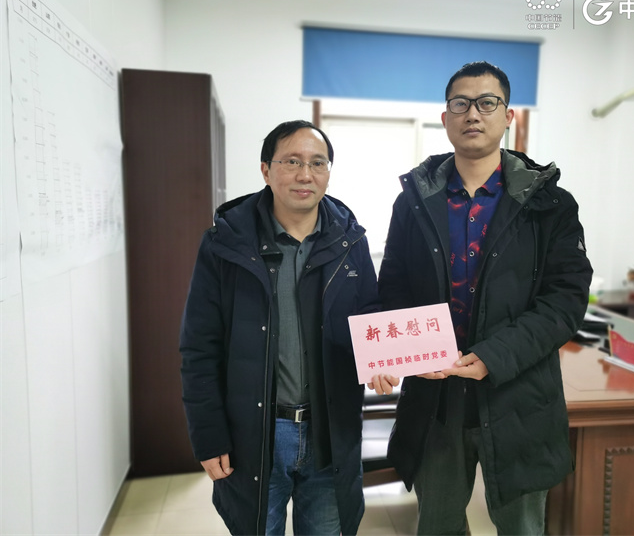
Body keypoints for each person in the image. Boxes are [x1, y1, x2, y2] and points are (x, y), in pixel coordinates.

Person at [373, 61, 593, 535]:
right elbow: (393, 286)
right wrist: (404, 352)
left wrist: (495, 355)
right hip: (436, 400)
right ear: (445, 117)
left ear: (508, 116)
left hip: (519, 398)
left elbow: (566, 300)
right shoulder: (414, 201)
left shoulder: (549, 203)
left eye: (487, 102)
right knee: (437, 525)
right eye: (461, 103)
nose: (473, 113)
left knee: (521, 528)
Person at [179, 120, 381, 535]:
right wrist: (209, 434)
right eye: (291, 161)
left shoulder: (350, 242)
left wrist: (382, 361)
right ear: (266, 170)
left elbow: (370, 318)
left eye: (317, 163)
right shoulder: (225, 244)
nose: (305, 174)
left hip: (331, 434)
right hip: (255, 436)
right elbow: (199, 347)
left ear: (328, 172)